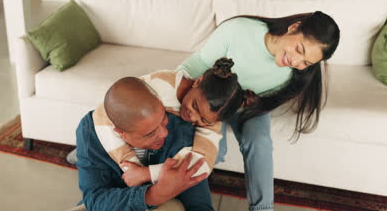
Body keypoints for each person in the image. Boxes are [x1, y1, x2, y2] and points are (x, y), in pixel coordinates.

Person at [177, 11, 340, 211]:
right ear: (294, 27)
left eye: (306, 62)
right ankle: (184, 196)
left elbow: (269, 100)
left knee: (259, 141)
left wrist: (255, 103)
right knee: (215, 149)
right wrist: (170, 95)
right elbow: (195, 67)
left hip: (248, 106)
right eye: (299, 49)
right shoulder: (238, 30)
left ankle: (263, 209)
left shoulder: (296, 74)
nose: (297, 63)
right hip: (214, 101)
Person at [75, 77, 214, 211]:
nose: (164, 133)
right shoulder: (90, 132)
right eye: (150, 133)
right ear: (120, 132)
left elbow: (199, 204)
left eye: (163, 118)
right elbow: (95, 200)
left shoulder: (183, 120)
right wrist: (154, 195)